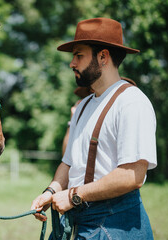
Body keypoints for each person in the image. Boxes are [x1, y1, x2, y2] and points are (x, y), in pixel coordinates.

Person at [31, 17, 157, 239]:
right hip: (81, 221)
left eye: (79, 55)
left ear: (103, 57)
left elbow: (133, 175)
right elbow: (68, 163)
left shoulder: (131, 102)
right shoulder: (84, 106)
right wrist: (52, 191)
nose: (72, 63)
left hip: (116, 225)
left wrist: (73, 196)